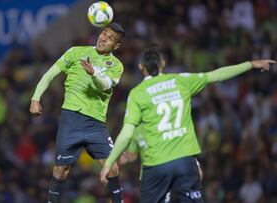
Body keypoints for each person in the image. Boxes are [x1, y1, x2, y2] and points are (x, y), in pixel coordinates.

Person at [100, 46, 275, 203]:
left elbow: (127, 134)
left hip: (156, 165)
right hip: (185, 160)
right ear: (163, 63)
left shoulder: (138, 94)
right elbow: (216, 75)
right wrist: (250, 64)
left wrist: (109, 163)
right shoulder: (181, 80)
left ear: (141, 68)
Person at [29, 23, 125, 203]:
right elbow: (50, 74)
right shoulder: (75, 52)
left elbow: (105, 84)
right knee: (60, 170)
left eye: (110, 38)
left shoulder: (117, 66)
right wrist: (36, 98)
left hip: (96, 123)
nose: (104, 38)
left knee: (112, 168)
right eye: (104, 33)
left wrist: (93, 73)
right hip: (71, 119)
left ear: (116, 46)